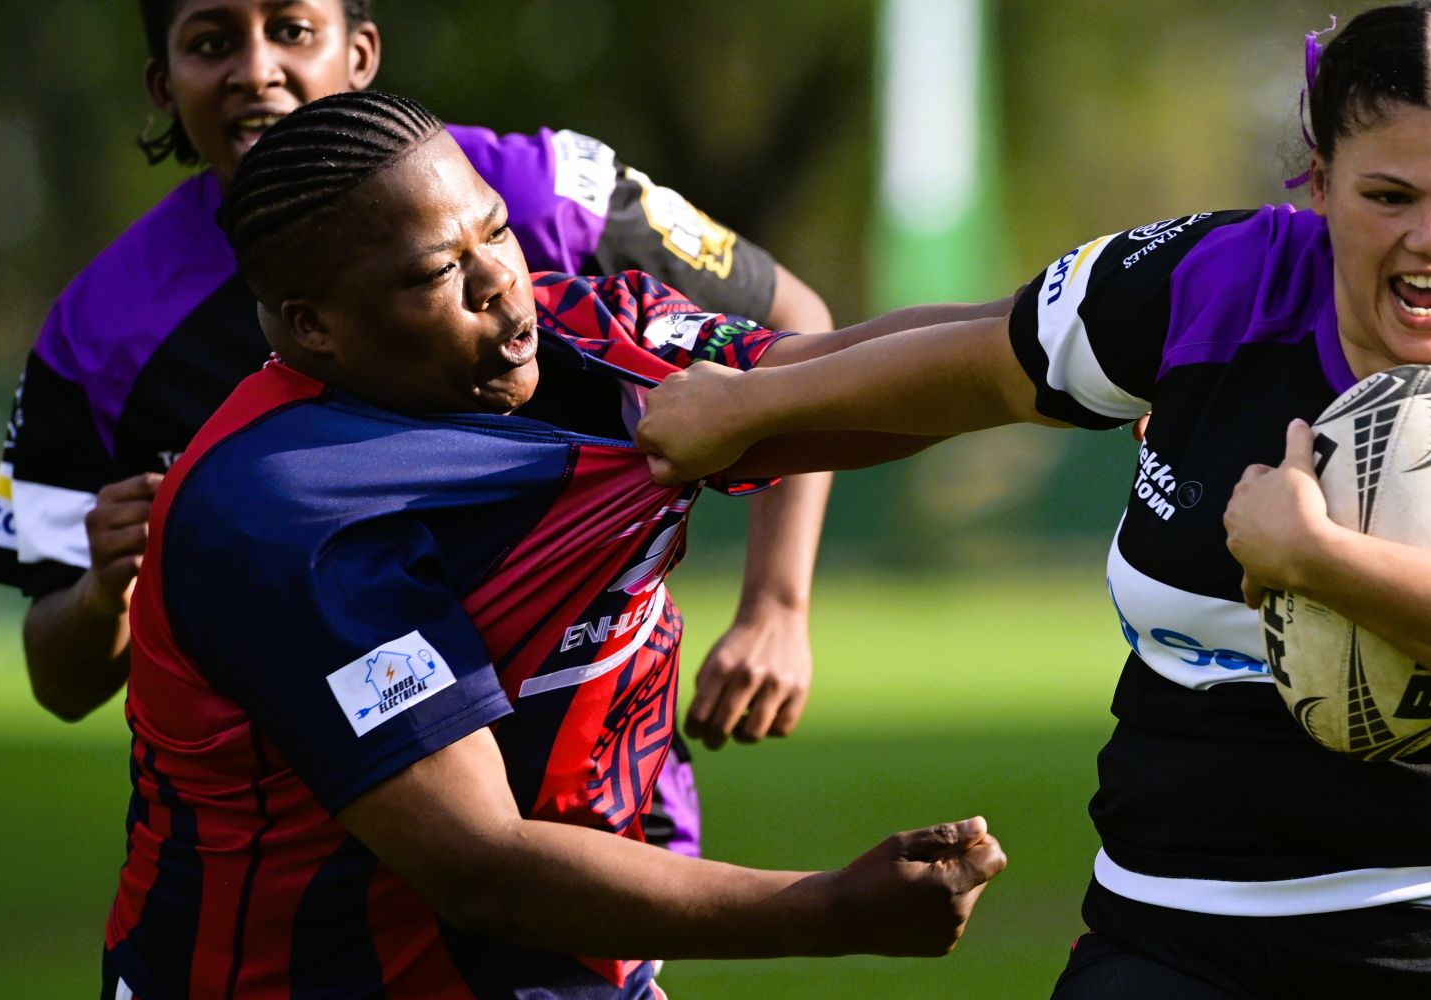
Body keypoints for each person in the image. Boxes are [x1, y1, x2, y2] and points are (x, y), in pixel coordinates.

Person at [637, 3, 1431, 996]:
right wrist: (746, 404)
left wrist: (1318, 560)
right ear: (1319, 182)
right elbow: (984, 364)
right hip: (1179, 934)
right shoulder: (1213, 281)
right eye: (1388, 196)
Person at [104, 90, 1001, 998]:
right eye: (437, 271)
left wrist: (1052, 341)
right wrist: (835, 909)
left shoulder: (588, 329)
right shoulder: (284, 512)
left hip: (567, 961)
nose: (498, 280)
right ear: (315, 326)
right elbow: (481, 867)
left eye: (496, 231)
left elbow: (825, 382)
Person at [0, 0, 834, 859]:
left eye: (292, 30)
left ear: (361, 53)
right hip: (324, 854)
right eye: (210, 43)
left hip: (606, 789)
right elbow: (59, 680)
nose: (256, 69)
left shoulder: (536, 193)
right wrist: (103, 594)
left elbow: (791, 323)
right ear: (163, 85)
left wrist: (776, 605)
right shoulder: (98, 330)